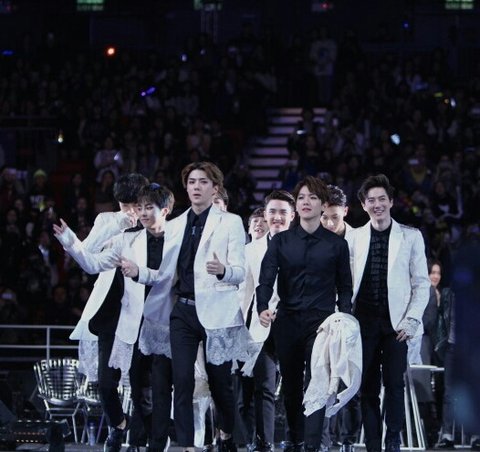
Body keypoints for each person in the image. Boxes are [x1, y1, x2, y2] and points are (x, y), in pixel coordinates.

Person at [122, 161, 251, 452]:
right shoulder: (176, 224)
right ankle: (189, 446)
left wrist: (224, 271)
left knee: (220, 384)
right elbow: (164, 274)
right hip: (182, 310)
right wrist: (139, 272)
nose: (196, 187)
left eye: (203, 182)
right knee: (181, 380)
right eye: (192, 182)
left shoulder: (230, 222)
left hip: (217, 311)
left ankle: (226, 434)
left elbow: (240, 271)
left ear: (215, 188)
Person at [53, 173, 150, 452]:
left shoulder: (153, 222)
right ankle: (118, 426)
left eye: (134, 204)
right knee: (106, 383)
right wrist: (116, 225)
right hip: (109, 310)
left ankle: (140, 440)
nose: (130, 210)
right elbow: (89, 255)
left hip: (145, 310)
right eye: (124, 205)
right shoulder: (107, 220)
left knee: (142, 386)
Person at [256, 175, 353, 452]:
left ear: (323, 204)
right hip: (287, 321)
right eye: (301, 197)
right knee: (291, 386)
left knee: (318, 383)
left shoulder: (337, 245)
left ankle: (312, 444)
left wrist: (345, 319)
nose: (306, 202)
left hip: (322, 324)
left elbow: (345, 287)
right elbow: (266, 279)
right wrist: (262, 307)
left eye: (313, 197)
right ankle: (296, 439)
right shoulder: (280, 241)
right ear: (296, 205)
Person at [348, 174, 430, 452]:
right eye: (371, 200)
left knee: (394, 384)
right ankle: (373, 445)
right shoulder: (354, 238)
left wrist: (412, 319)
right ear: (364, 205)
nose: (377, 204)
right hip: (364, 323)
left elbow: (421, 284)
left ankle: (392, 439)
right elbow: (346, 282)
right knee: (367, 388)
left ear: (391, 201)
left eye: (382, 199)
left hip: (397, 325)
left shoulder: (411, 236)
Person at [238, 190, 296, 452]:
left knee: (296, 388)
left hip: (296, 326)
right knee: (264, 388)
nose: (277, 217)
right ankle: (264, 444)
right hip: (261, 327)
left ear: (292, 216)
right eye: (272, 211)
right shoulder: (251, 250)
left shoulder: (305, 245)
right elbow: (245, 292)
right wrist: (239, 328)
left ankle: (298, 441)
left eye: (283, 212)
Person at [319, 185, 360, 452]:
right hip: (321, 316)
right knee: (321, 379)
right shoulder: (314, 239)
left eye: (335, 216)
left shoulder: (359, 240)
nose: (330, 223)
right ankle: (323, 439)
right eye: (325, 217)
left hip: (353, 315)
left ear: (345, 211)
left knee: (350, 377)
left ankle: (348, 440)